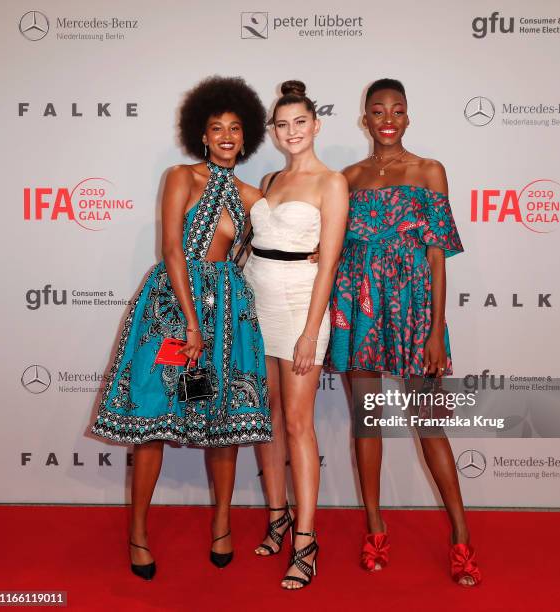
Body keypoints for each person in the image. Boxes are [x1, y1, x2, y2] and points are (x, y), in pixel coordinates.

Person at [91, 76, 272, 580]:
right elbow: (172, 249)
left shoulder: (253, 195)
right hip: (173, 308)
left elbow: (289, 239)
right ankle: (139, 533)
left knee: (225, 424)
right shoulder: (181, 177)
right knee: (151, 420)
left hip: (231, 311)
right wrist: (192, 325)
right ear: (202, 135)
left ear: (248, 135)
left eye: (236, 128)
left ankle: (222, 526)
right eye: (217, 128)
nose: (227, 136)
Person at [326, 78, 481, 586]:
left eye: (397, 109)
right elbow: (332, 249)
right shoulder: (346, 178)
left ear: (408, 118)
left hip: (415, 309)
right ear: (364, 119)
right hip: (358, 308)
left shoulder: (429, 171)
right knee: (367, 424)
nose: (387, 117)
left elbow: (437, 257)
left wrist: (436, 330)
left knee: (430, 424)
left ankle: (461, 537)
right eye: (377, 110)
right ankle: (375, 528)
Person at [242, 80, 348, 590]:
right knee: (269, 419)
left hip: (301, 308)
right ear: (274, 131)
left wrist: (310, 333)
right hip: (257, 305)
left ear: (316, 124)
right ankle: (277, 516)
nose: (291, 133)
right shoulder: (269, 178)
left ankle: (305, 540)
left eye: (299, 122)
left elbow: (327, 264)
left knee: (299, 425)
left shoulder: (331, 183)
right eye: (281, 125)